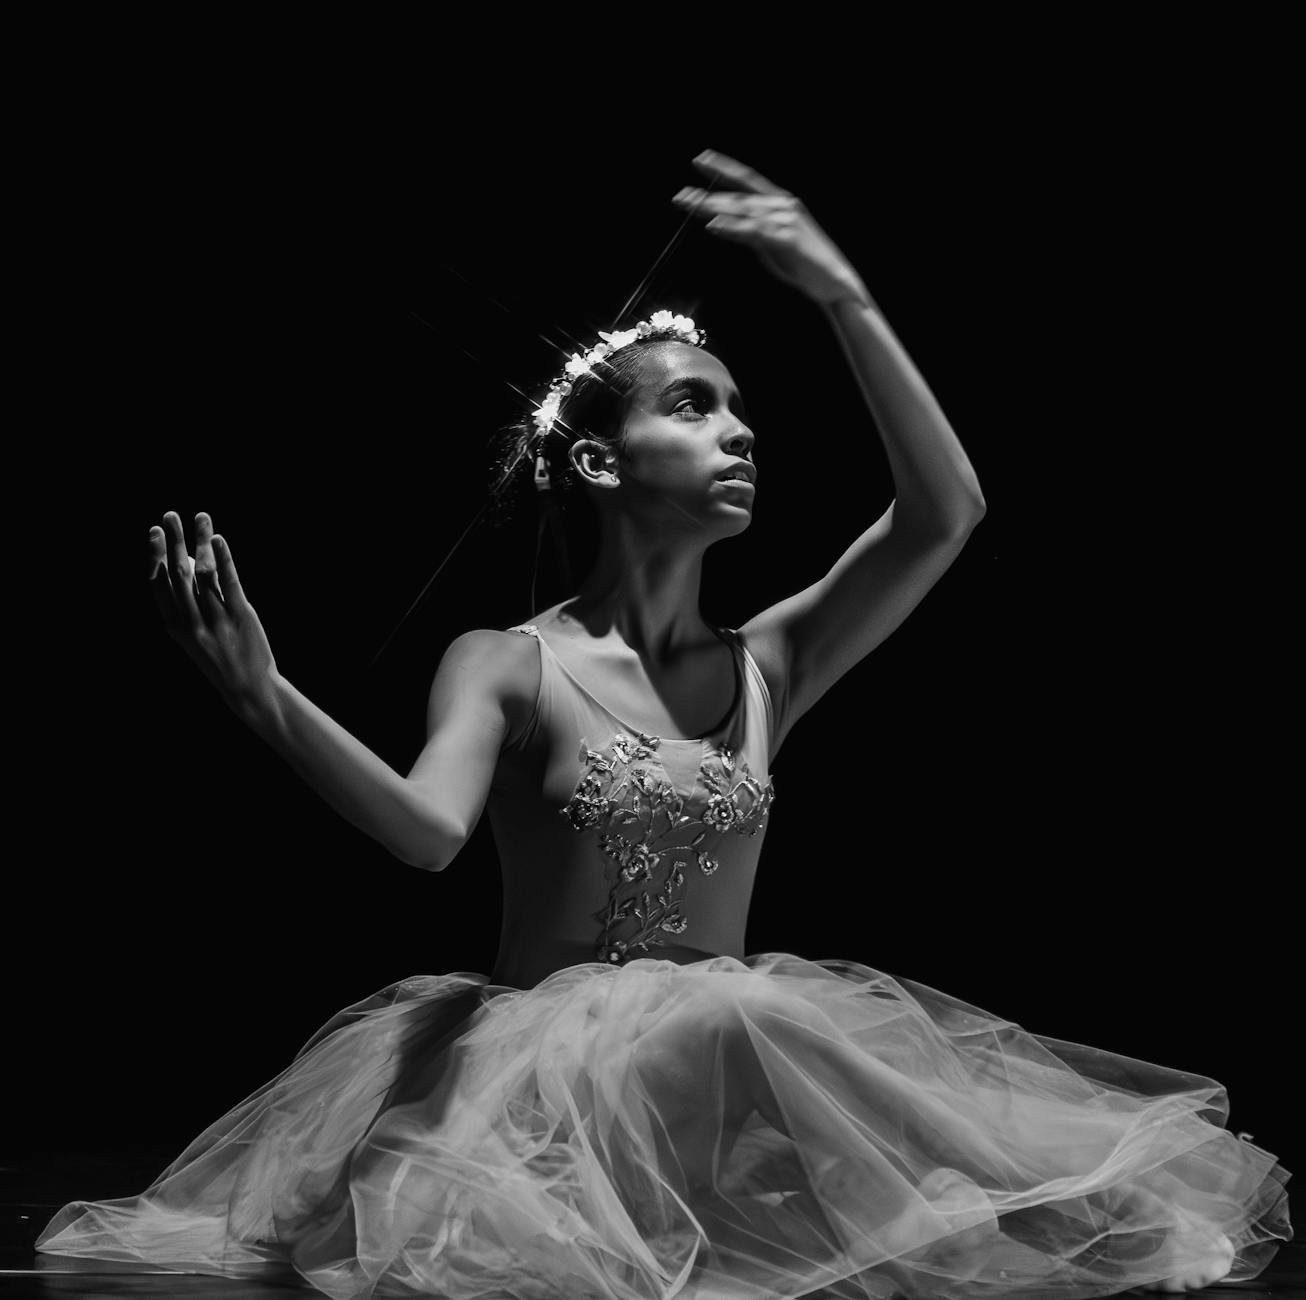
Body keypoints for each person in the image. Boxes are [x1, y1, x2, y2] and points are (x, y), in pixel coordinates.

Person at [37, 151, 1290, 1299]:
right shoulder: (508, 661)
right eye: (692, 406)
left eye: (740, 410)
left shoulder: (769, 663)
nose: (736, 429)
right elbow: (426, 837)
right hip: (538, 1105)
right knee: (742, 1024)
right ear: (597, 463)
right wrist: (265, 697)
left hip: (729, 1096)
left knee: (764, 1024)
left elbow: (941, 512)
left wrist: (841, 292)